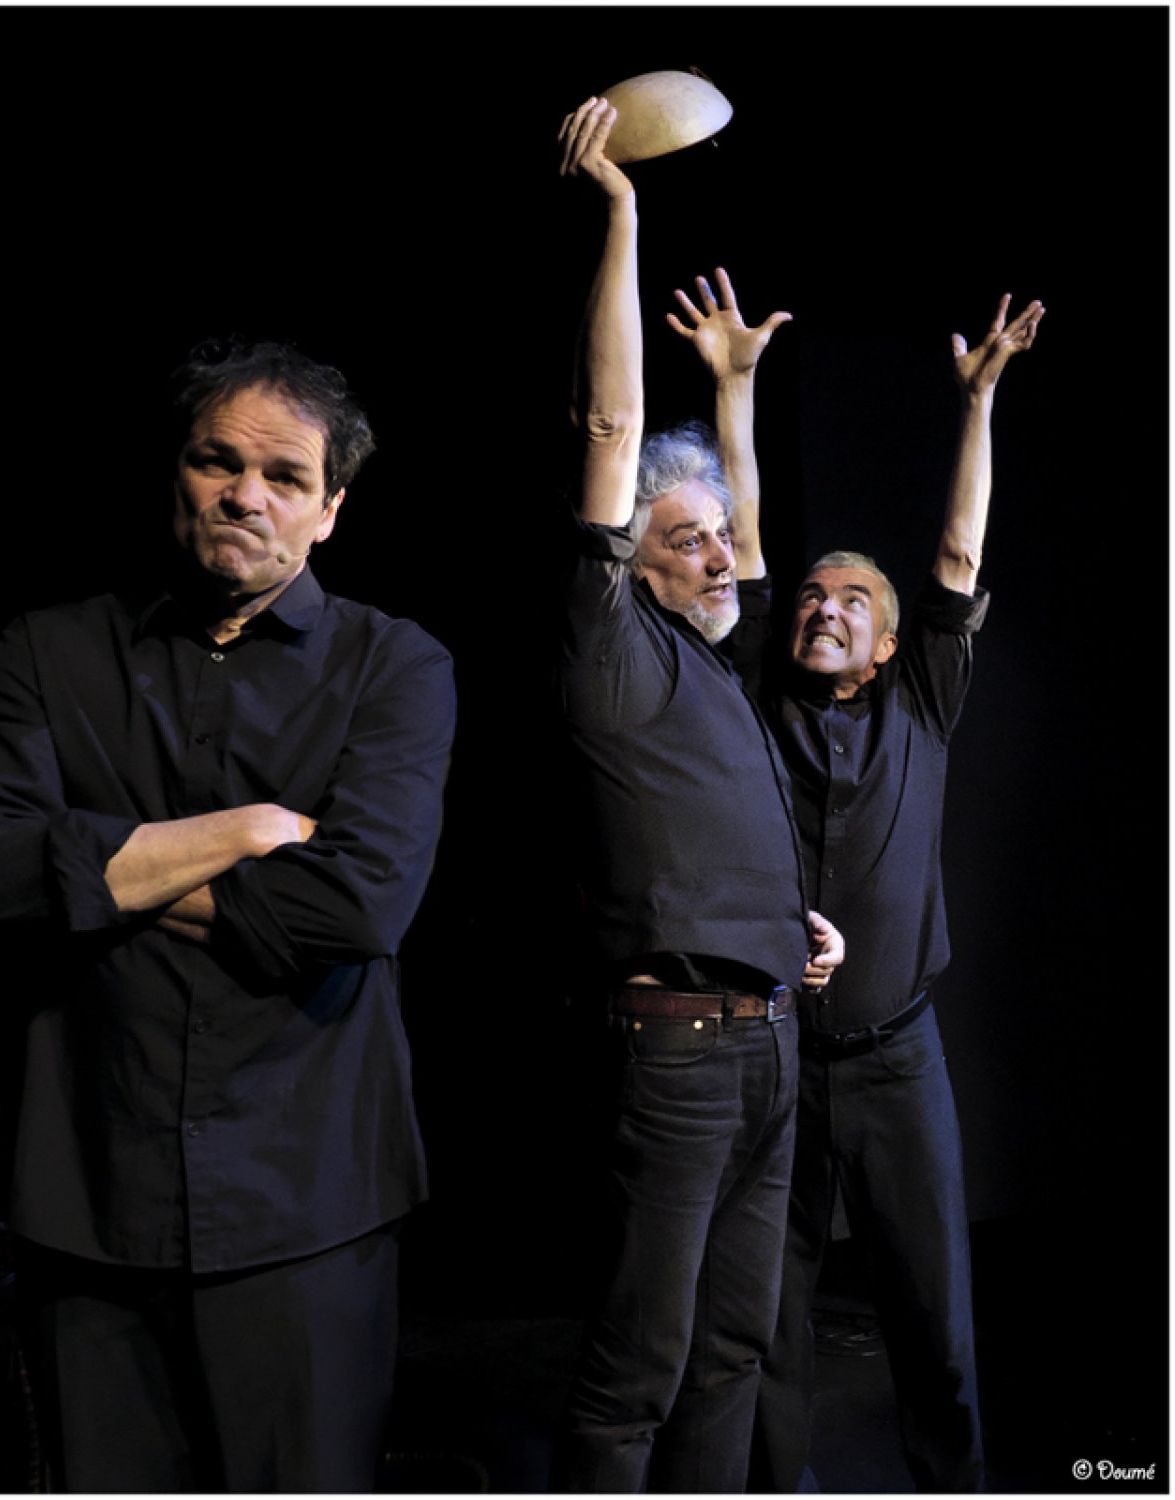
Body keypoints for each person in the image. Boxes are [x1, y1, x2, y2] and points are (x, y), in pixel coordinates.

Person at [0, 334, 457, 1492]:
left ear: (330, 510)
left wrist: (101, 869)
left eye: (284, 476)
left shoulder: (396, 666)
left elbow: (358, 904)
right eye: (218, 461)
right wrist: (244, 830)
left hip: (310, 1201)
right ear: (177, 470)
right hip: (87, 1188)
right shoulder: (48, 650)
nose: (244, 495)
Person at [665, 266, 1043, 1491]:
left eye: (853, 602)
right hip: (778, 1055)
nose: (824, 607)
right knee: (769, 1311)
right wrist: (735, 390)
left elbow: (956, 550)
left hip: (893, 1056)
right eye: (813, 596)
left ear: (887, 648)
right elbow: (749, 539)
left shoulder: (920, 704)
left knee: (932, 1307)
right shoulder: (758, 698)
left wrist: (977, 403)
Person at [548, 96, 845, 1495]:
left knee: (734, 1347)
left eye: (724, 534)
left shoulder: (723, 667)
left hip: (772, 1035)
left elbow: (750, 527)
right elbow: (613, 423)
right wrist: (622, 213)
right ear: (634, 560)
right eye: (688, 539)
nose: (723, 555)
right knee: (641, 1365)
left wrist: (791, 932)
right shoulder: (614, 649)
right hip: (677, 1056)